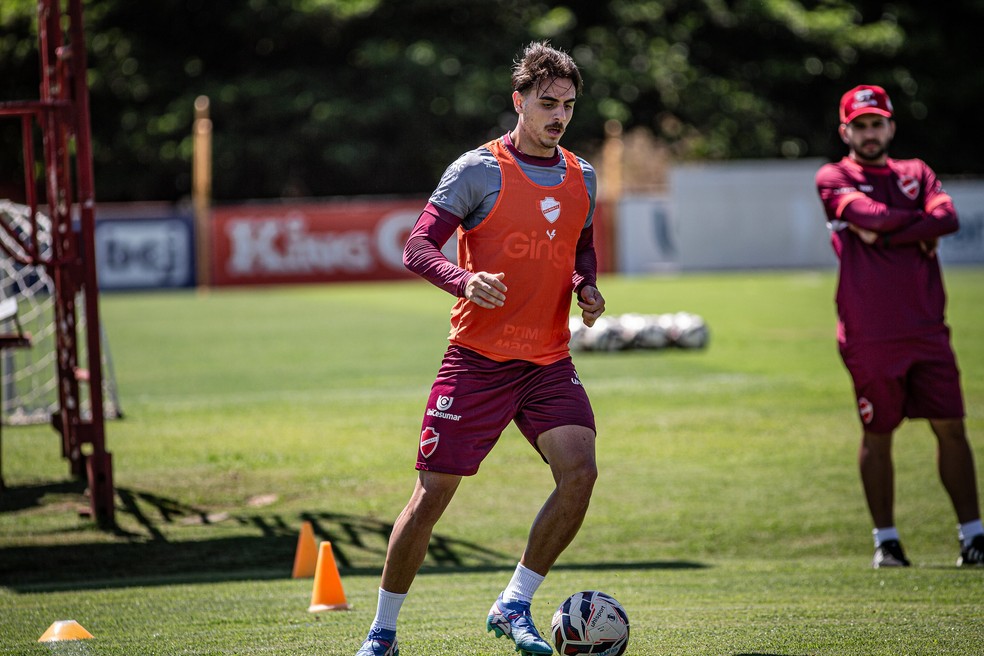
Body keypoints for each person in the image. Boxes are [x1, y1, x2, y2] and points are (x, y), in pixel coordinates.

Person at [355, 41, 606, 656]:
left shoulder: (583, 176)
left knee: (580, 473)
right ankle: (383, 634)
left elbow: (579, 247)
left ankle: (514, 602)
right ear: (518, 101)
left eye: (568, 105)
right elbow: (417, 248)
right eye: (547, 103)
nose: (559, 116)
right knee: (431, 496)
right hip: (476, 361)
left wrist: (586, 286)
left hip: (548, 361)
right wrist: (464, 280)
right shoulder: (478, 170)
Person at [815, 84, 984, 569]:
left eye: (877, 124)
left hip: (928, 327)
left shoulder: (917, 172)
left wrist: (885, 234)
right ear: (846, 131)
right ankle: (886, 542)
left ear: (890, 126)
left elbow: (947, 219)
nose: (870, 133)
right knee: (878, 432)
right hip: (869, 333)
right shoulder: (834, 175)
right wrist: (916, 227)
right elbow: (864, 214)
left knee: (952, 427)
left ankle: (973, 537)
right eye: (860, 126)